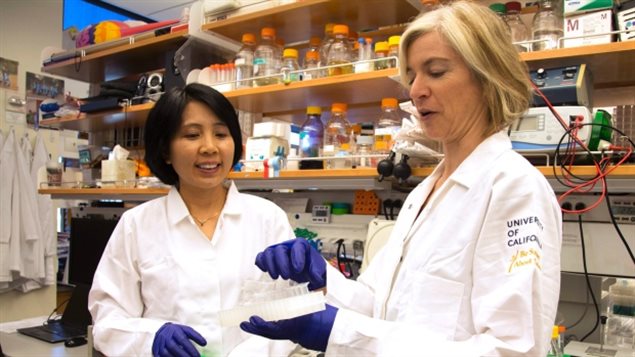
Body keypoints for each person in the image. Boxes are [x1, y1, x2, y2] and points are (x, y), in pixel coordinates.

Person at [239, 2, 563, 356]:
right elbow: (380, 304)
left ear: (488, 77)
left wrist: (338, 332)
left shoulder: (514, 188)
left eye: (435, 71)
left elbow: (510, 350)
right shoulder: (425, 192)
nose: (416, 90)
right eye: (412, 76)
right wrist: (323, 277)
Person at [88, 83, 297, 356]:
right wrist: (150, 339)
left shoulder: (267, 218)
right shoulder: (136, 225)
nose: (209, 147)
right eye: (192, 135)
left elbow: (293, 310)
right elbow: (107, 320)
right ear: (165, 151)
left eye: (221, 134)